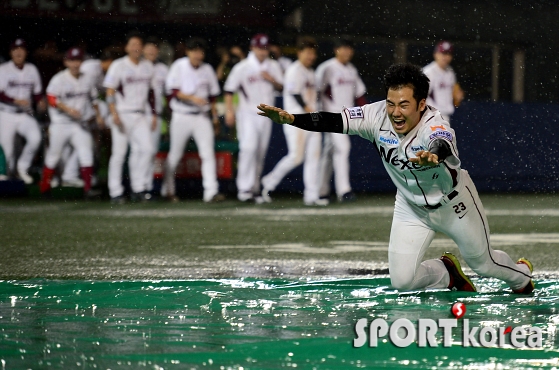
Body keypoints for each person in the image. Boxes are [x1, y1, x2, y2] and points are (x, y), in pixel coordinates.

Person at [257, 63, 534, 295]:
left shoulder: (434, 123)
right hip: (410, 207)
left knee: (483, 265)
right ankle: (446, 274)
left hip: (454, 204)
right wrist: (292, 118)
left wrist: (433, 155)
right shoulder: (375, 114)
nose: (395, 112)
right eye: (391, 103)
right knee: (403, 282)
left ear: (422, 104)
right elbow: (332, 120)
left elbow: (442, 142)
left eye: (404, 105)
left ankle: (522, 275)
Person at [260, 37, 325, 206]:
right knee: (296, 157)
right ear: (299, 53)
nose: (311, 56)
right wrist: (309, 108)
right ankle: (269, 182)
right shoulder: (294, 70)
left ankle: (312, 195)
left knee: (314, 157)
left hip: (312, 119)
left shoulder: (311, 72)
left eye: (313, 53)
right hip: (295, 119)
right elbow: (295, 93)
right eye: (308, 52)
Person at [162, 37, 224, 203]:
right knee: (175, 154)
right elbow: (173, 91)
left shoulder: (207, 69)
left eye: (200, 51)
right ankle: (168, 190)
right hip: (182, 115)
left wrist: (215, 118)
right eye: (194, 51)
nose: (198, 54)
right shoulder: (179, 66)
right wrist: (193, 98)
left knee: (208, 153)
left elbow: (212, 97)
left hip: (202, 117)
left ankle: (211, 192)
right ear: (188, 52)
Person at [224, 34, 283, 202]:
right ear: (252, 48)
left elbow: (282, 86)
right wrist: (229, 111)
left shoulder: (273, 66)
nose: (262, 52)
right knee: (248, 148)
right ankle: (244, 189)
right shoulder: (242, 67)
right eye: (259, 48)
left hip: (267, 115)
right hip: (247, 113)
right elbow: (229, 90)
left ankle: (254, 188)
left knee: (260, 152)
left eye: (265, 48)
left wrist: (271, 79)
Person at [39, 47, 103, 198]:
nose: (75, 64)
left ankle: (88, 190)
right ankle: (44, 188)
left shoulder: (86, 78)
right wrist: (67, 109)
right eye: (72, 60)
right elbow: (51, 98)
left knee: (86, 153)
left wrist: (98, 115)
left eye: (78, 60)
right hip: (61, 123)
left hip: (78, 124)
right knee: (54, 156)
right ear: (66, 62)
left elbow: (94, 99)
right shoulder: (59, 78)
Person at [103, 33, 157, 204]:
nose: (136, 47)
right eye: (133, 44)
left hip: (140, 114)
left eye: (139, 44)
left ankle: (138, 188)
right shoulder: (118, 65)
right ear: (126, 47)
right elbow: (110, 91)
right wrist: (113, 113)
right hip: (122, 113)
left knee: (147, 149)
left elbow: (151, 93)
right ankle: (115, 192)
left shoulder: (148, 66)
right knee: (119, 154)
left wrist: (154, 114)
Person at [55, 48, 115, 188]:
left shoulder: (102, 74)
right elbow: (82, 93)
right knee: (62, 150)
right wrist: (93, 116)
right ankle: (64, 176)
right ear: (108, 61)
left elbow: (98, 94)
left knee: (85, 147)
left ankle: (71, 175)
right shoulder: (90, 68)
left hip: (81, 114)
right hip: (70, 114)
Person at [315, 38, 367, 202]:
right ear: (336, 50)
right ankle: (344, 190)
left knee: (329, 153)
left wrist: (366, 113)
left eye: (349, 48)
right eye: (343, 48)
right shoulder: (327, 67)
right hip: (330, 115)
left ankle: (321, 190)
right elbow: (316, 91)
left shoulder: (351, 69)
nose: (346, 51)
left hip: (346, 116)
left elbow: (359, 94)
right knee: (343, 148)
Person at [0, 39, 45, 184]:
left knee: (36, 138)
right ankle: (8, 177)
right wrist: (14, 100)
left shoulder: (32, 69)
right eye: (15, 49)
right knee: (7, 149)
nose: (19, 52)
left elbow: (37, 92)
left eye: (22, 49)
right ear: (11, 53)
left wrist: (40, 101)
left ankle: (22, 168)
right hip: (6, 113)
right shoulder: (4, 69)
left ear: (26, 52)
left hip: (25, 114)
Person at [143, 37, 169, 195]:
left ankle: (147, 187)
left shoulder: (163, 69)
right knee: (141, 152)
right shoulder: (138, 66)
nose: (152, 52)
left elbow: (168, 93)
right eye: (149, 48)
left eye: (154, 49)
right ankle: (138, 186)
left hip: (157, 115)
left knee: (151, 151)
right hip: (138, 114)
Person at [423, 41, 464, 123]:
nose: (446, 57)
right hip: (431, 116)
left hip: (445, 117)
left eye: (449, 54)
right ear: (435, 54)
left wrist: (457, 96)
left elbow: (455, 97)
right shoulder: (428, 72)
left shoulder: (450, 72)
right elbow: (420, 96)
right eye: (443, 53)